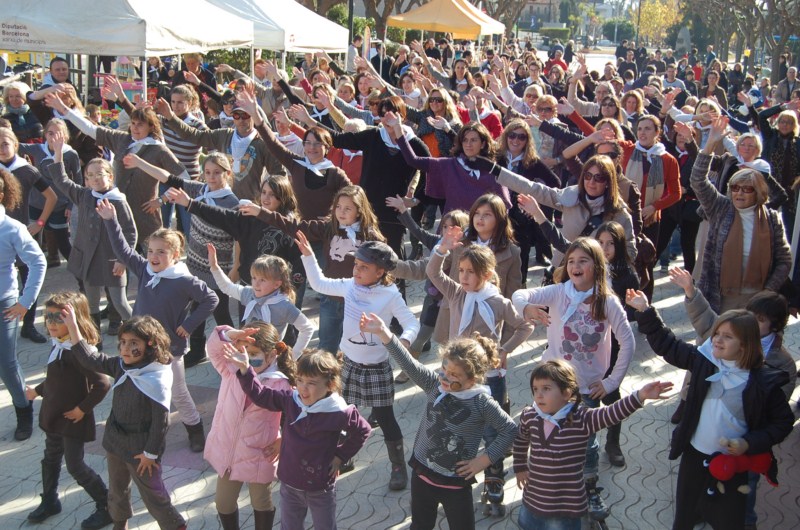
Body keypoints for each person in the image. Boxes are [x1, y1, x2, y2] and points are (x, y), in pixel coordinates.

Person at [626, 290, 794, 530]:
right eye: (717, 333)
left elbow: (782, 423)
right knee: (683, 518)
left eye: (727, 337)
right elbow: (668, 345)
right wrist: (645, 311)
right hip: (694, 457)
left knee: (727, 520)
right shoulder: (705, 361)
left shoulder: (762, 382)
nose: (717, 339)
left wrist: (749, 443)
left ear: (745, 345)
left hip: (732, 465)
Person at [512, 237, 636, 520]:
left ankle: (589, 486)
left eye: (583, 261)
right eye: (571, 261)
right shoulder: (558, 293)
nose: (575, 266)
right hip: (553, 387)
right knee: (549, 437)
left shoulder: (608, 302)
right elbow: (519, 295)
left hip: (588, 389)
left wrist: (611, 382)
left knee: (587, 442)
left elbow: (627, 342)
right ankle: (548, 484)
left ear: (597, 266)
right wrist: (527, 309)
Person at [358, 312, 517, 530]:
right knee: (420, 525)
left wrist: (484, 460)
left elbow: (510, 430)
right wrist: (383, 332)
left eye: (454, 375)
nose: (444, 377)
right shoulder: (435, 385)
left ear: (472, 379)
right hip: (422, 475)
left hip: (455, 484)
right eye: (444, 369)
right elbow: (409, 364)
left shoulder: (481, 402)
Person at [295, 231, 418, 490]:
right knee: (344, 415)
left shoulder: (390, 294)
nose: (356, 271)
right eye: (356, 265)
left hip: (376, 368)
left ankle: (398, 466)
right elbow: (319, 283)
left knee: (385, 419)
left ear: (381, 272)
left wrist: (404, 341)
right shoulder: (349, 285)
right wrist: (308, 256)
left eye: (364, 267)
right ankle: (344, 456)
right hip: (348, 364)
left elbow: (410, 322)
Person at [97, 200, 218, 453]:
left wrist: (188, 324)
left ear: (175, 255)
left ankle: (195, 430)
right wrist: (111, 220)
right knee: (139, 388)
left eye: (161, 252)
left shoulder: (184, 280)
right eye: (151, 250)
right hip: (140, 346)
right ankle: (146, 430)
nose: (154, 256)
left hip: (169, 348)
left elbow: (210, 299)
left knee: (178, 392)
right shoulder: (145, 270)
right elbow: (123, 250)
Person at [513, 360, 672, 529]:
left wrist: (640, 395)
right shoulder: (530, 416)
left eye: (546, 389)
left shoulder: (583, 419)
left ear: (567, 393)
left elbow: (612, 413)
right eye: (535, 389)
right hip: (533, 502)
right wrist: (520, 465)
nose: (538, 395)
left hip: (564, 508)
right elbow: (521, 440)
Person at [227, 347, 371, 530]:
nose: (303, 387)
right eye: (300, 379)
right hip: (289, 483)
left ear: (330, 385)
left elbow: (363, 430)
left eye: (311, 383)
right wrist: (246, 370)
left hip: (320, 487)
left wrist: (340, 457)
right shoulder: (291, 399)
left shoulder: (339, 411)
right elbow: (261, 395)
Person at [68, 314, 187, 530]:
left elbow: (161, 423)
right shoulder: (121, 366)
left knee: (154, 495)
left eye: (133, 343)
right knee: (117, 489)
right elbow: (91, 360)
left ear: (150, 344)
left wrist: (150, 454)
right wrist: (73, 327)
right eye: (123, 342)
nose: (125, 348)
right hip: (115, 442)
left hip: (141, 451)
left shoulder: (156, 377)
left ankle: (174, 525)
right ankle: (119, 523)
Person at [247, 185, 385, 353]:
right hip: (331, 298)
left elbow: (383, 271)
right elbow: (293, 225)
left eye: (348, 208)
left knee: (356, 348)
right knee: (326, 348)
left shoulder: (372, 237)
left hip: (359, 301)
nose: (341, 212)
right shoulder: (329, 228)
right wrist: (261, 212)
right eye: (338, 207)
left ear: (359, 211)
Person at [45, 92, 186, 245]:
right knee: (118, 264)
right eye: (133, 123)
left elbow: (185, 179)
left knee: (146, 265)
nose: (135, 128)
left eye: (140, 124)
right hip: (117, 213)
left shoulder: (159, 150)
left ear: (151, 126)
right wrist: (64, 109)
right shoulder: (122, 140)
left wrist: (162, 199)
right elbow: (90, 129)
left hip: (146, 218)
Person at [24, 292, 112, 529]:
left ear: (75, 320)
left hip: (72, 420)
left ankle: (107, 505)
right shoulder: (59, 345)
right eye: (48, 317)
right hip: (53, 416)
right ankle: (50, 500)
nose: (51, 323)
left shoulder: (78, 353)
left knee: (75, 465)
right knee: (50, 458)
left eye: (58, 318)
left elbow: (103, 383)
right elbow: (56, 378)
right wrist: (38, 391)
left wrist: (82, 410)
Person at [169, 174, 306, 319]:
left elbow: (300, 263)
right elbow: (220, 215)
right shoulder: (250, 217)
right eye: (264, 192)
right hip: (250, 290)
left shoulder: (289, 226)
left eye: (272, 195)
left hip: (276, 296)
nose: (266, 198)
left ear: (283, 197)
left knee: (279, 338)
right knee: (248, 335)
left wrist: (289, 290)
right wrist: (190, 203)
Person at [692, 117, 792, 313]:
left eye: (747, 189)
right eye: (735, 187)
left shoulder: (771, 219)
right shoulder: (721, 207)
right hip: (720, 298)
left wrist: (768, 291)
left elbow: (784, 260)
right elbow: (698, 180)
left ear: (759, 193)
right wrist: (710, 144)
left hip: (756, 301)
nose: (739, 193)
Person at [46, 132, 136, 346]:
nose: (95, 179)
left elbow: (130, 232)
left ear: (110, 176)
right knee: (91, 305)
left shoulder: (118, 201)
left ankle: (139, 335)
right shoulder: (84, 195)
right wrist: (58, 152)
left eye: (100, 174)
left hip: (112, 260)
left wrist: (123, 260)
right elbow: (61, 180)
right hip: (89, 260)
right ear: (85, 179)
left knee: (120, 303)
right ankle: (96, 344)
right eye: (90, 175)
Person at [205, 321, 295, 530]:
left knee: (261, 502)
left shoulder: (280, 383)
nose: (246, 357)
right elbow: (213, 347)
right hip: (228, 451)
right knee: (224, 503)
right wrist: (229, 334)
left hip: (260, 453)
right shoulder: (231, 368)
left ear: (272, 355)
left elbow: (295, 417)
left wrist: (283, 440)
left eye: (253, 353)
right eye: (243, 350)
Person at [154, 97, 283, 210]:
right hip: (220, 202)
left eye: (246, 115)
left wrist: (268, 201)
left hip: (250, 206)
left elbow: (279, 175)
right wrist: (171, 117)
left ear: (253, 116)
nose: (241, 120)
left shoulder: (262, 143)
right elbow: (194, 135)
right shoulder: (224, 135)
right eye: (236, 116)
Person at [0, 167, 46, 440]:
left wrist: (25, 302)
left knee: (6, 363)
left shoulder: (11, 228)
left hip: (5, 302)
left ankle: (23, 407)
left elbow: (38, 261)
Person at [0, 127, 57, 343]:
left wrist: (40, 222)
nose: (2, 148)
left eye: (6, 143)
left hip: (21, 233)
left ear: (15, 144)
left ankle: (29, 324)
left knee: (29, 278)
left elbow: (50, 196)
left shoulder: (26, 170)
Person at [208, 245, 312, 358]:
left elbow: (307, 328)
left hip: (270, 359)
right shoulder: (249, 294)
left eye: (262, 280)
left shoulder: (284, 306)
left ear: (277, 284)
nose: (256, 284)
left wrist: (295, 355)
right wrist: (214, 267)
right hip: (247, 355)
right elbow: (227, 287)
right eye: (254, 278)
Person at [18, 119, 81, 269]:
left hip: (60, 204)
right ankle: (32, 272)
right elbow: (15, 146)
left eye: (58, 133)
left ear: (65, 136)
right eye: (50, 133)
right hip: (36, 203)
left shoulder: (70, 154)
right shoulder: (38, 149)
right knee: (32, 242)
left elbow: (78, 179)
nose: (54, 137)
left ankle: (81, 272)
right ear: (45, 135)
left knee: (63, 243)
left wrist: (71, 204)